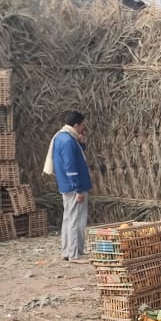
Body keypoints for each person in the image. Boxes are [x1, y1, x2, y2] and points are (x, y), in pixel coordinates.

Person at [43, 110, 91, 264]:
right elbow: (70, 166)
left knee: (69, 218)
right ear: (76, 124)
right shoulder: (68, 141)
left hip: (67, 185)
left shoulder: (62, 137)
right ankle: (74, 254)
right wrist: (77, 188)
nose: (83, 127)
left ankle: (67, 251)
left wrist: (82, 144)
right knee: (76, 220)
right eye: (82, 124)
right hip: (73, 187)